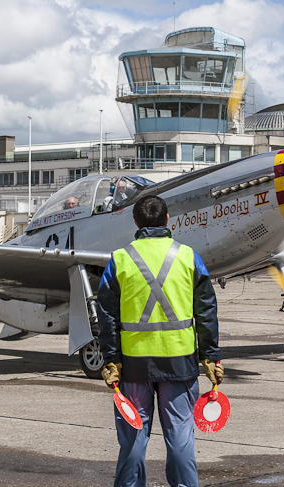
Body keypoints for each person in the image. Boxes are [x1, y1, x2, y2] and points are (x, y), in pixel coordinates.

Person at [97, 195, 223, 487]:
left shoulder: (119, 260)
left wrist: (111, 359)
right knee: (180, 438)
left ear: (136, 223)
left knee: (133, 441)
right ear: (168, 221)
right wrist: (211, 356)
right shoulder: (190, 258)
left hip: (133, 366)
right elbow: (206, 311)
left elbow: (106, 317)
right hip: (179, 364)